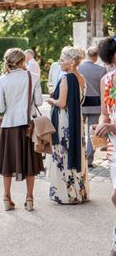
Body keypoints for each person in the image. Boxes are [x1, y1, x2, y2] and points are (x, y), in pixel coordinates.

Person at [0, 48, 44, 211]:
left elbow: (0, 108)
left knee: (8, 162)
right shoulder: (33, 77)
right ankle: (29, 198)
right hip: (28, 125)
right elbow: (39, 101)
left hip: (9, 126)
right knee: (30, 163)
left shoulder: (1, 80)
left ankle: (6, 198)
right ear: (22, 62)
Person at [46, 47, 88, 204]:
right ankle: (78, 192)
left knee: (63, 154)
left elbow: (62, 103)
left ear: (71, 62)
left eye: (62, 59)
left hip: (65, 122)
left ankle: (65, 194)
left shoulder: (66, 78)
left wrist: (51, 100)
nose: (59, 62)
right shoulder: (81, 78)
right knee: (76, 151)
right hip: (77, 121)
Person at [93, 37, 116, 256]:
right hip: (114, 147)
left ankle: (115, 253)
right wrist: (101, 126)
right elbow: (104, 113)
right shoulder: (106, 80)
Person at [78, 46, 106, 167]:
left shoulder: (79, 68)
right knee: (93, 133)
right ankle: (89, 159)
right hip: (95, 105)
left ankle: (79, 158)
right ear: (96, 57)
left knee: (79, 132)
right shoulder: (101, 69)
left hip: (81, 104)